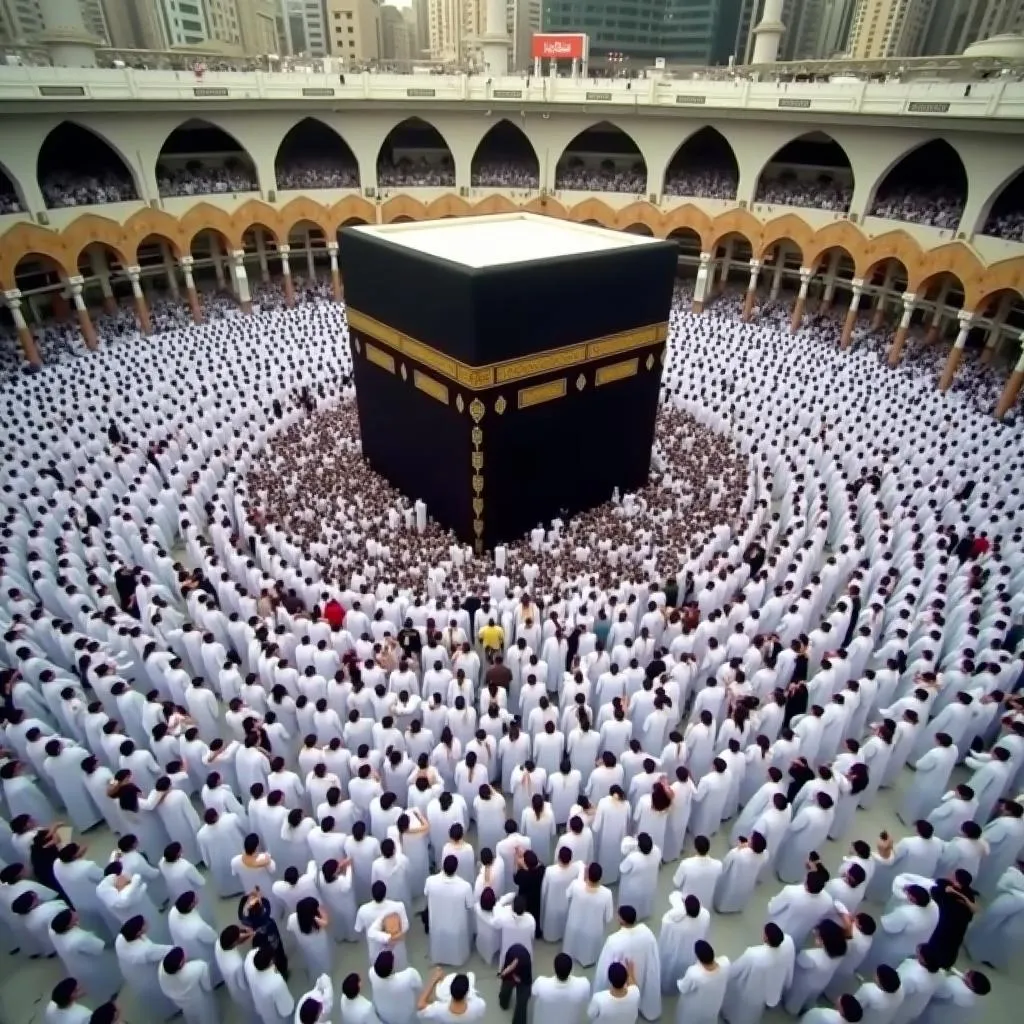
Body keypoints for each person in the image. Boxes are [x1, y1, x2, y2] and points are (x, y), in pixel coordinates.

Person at [592, 906, 660, 1022]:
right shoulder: (647, 934)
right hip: (639, 973)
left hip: (619, 976)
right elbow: (654, 958)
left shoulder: (614, 940)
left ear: (621, 920)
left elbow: (605, 964)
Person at [721, 922, 795, 1024]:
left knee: (740, 1007)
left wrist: (725, 973)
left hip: (750, 988)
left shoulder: (753, 954)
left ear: (766, 938)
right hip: (770, 986)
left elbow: (737, 969)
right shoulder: (788, 943)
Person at [964, 863, 1024, 968]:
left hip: (1001, 928)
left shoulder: (1014, 897)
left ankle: (975, 952)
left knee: (987, 939)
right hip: (1013, 931)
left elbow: (994, 914)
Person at [423, 855, 474, 965]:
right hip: (456, 925)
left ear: (442, 866)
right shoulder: (465, 886)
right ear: (456, 868)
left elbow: (426, 893)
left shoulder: (430, 881)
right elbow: (470, 905)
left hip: (436, 922)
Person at [657, 892, 710, 994]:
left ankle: (666, 989)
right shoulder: (705, 915)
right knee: (685, 970)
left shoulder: (672, 921)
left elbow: (665, 935)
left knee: (669, 972)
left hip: (673, 952)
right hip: (691, 952)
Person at [157, 946, 217, 1024]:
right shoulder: (198, 967)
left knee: (190, 1015)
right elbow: (207, 986)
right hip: (196, 999)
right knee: (205, 1014)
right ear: (181, 963)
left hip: (179, 1001)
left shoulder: (161, 968)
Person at [674, 939, 728, 1024]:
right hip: (714, 1003)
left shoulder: (694, 973)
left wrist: (678, 982)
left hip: (696, 1005)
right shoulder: (725, 963)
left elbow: (684, 988)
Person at [531, 951, 590, 1024]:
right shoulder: (583, 984)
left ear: (554, 969)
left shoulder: (541, 983)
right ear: (571, 969)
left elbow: (533, 993)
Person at [244, 943, 295, 1024]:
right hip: (277, 1016)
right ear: (271, 961)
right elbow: (286, 1009)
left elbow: (255, 951)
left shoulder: (249, 958)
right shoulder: (276, 982)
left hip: (261, 1006)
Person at [369, 949, 422, 1024]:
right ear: (392, 966)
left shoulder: (371, 973)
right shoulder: (409, 975)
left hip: (383, 1012)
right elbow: (419, 987)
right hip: (405, 1015)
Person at [416, 969, 486, 1022]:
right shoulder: (478, 1005)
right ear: (467, 992)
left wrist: (434, 980)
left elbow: (420, 1005)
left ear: (450, 990)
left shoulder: (438, 1009)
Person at [587, 960, 640, 1024]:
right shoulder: (635, 993)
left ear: (609, 979)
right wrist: (630, 973)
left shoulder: (599, 998)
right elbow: (633, 985)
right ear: (626, 979)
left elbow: (590, 1015)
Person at [497, 942, 532, 1024]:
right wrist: (504, 974)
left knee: (522, 1002)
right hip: (511, 971)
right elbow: (505, 971)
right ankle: (503, 1002)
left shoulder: (526, 963)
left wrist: (519, 980)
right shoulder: (510, 954)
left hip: (524, 978)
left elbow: (525, 980)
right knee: (505, 989)